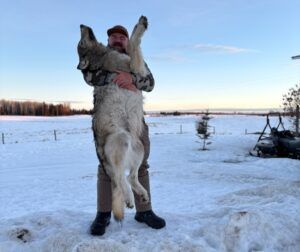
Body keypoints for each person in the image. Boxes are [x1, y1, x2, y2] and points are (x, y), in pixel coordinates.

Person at [89, 25, 166, 236]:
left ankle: (144, 211)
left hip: (134, 120)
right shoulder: (100, 57)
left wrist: (132, 80)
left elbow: (149, 83)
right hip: (109, 120)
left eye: (122, 37)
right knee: (107, 167)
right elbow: (89, 77)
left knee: (141, 164)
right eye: (113, 36)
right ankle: (103, 214)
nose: (117, 40)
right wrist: (115, 76)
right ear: (109, 40)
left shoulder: (136, 57)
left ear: (127, 41)